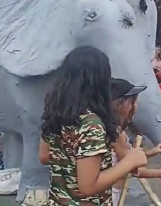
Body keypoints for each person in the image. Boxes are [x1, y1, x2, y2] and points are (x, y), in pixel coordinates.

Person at [39, 46, 147, 205]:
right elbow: (88, 187)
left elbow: (44, 156)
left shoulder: (57, 113)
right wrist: (129, 161)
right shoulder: (91, 124)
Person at [110, 78, 161, 205]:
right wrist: (158, 173)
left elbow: (125, 158)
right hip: (112, 194)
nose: (136, 106)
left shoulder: (110, 129)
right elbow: (131, 167)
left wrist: (152, 152)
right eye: (132, 101)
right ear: (119, 105)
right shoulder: (117, 134)